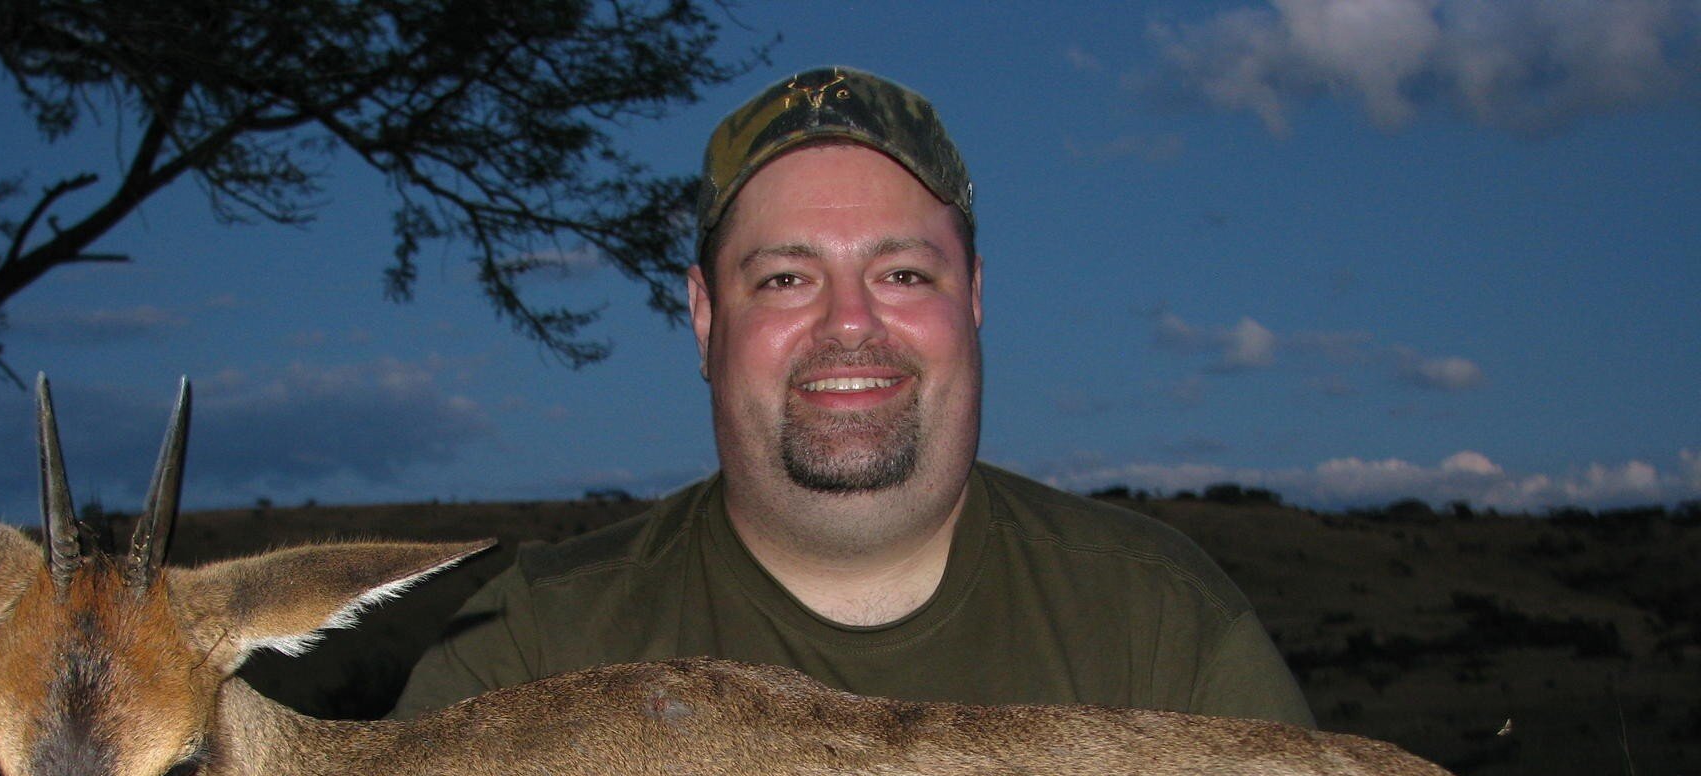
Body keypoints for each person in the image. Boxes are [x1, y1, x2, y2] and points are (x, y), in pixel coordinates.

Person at [392, 66, 1312, 725]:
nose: (850, 324)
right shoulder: (525, 651)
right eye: (787, 279)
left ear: (977, 297)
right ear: (706, 316)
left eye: (905, 274)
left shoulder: (1163, 630)